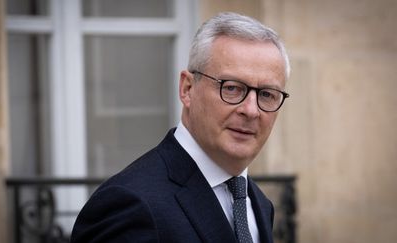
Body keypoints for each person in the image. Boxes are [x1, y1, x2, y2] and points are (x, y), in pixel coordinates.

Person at [71, 12, 290, 243]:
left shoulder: (259, 204)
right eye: (232, 88)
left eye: (267, 94)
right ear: (187, 89)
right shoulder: (131, 204)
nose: (251, 110)